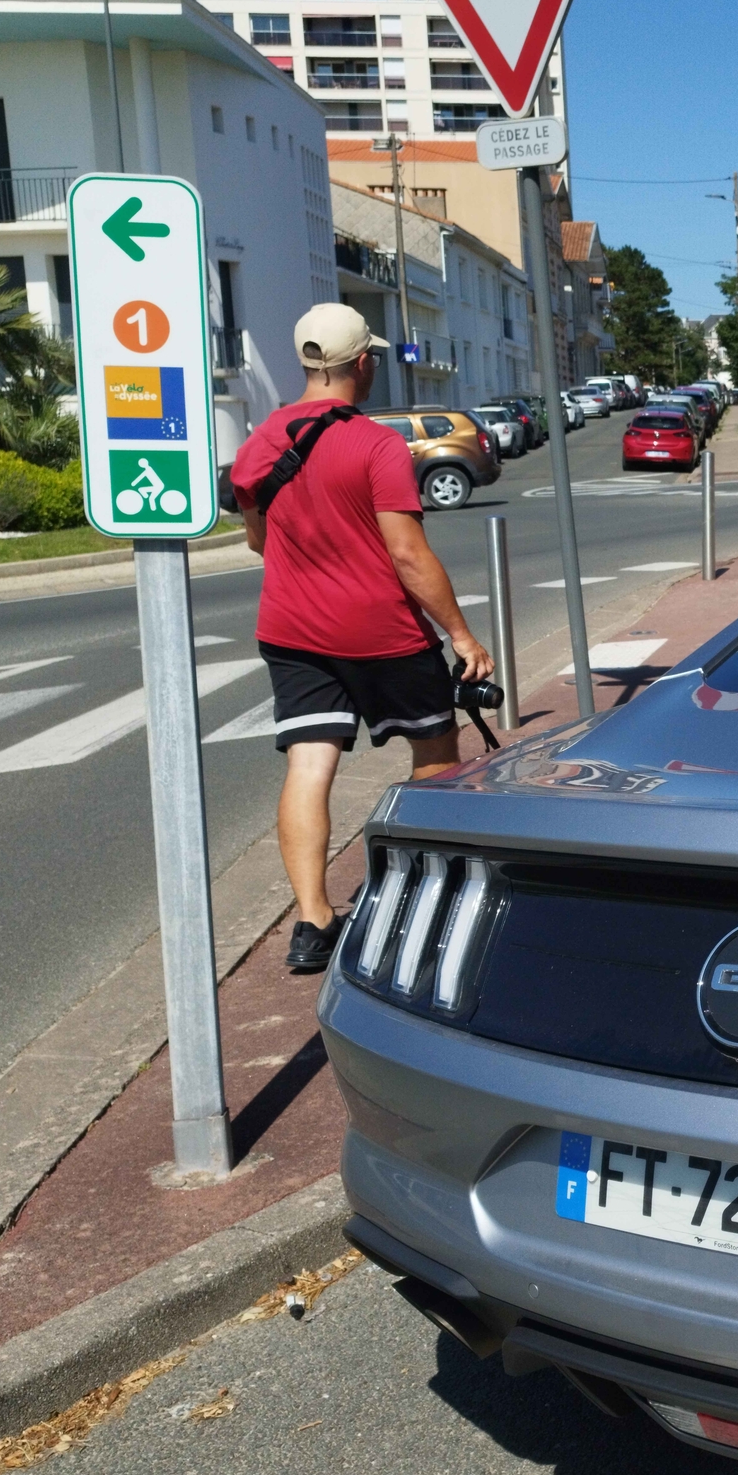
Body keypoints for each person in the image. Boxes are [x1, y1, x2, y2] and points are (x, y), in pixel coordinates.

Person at [231, 304, 493, 973]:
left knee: (309, 764)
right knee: (436, 749)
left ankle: (312, 921)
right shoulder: (377, 444)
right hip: (382, 633)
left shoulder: (262, 439)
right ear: (363, 363)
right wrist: (461, 636)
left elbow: (259, 540)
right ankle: (428, 895)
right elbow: (407, 555)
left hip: (290, 629)